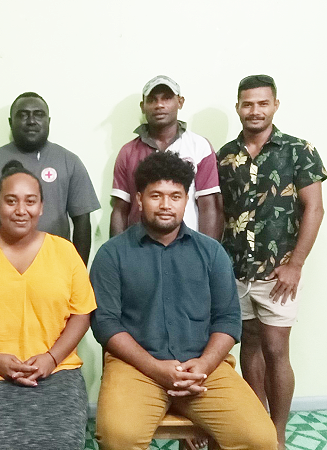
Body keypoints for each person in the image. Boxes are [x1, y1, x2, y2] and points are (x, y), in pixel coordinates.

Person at [91, 151, 277, 450]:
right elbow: (105, 324)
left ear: (186, 199)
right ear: (139, 199)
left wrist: (204, 364)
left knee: (260, 439)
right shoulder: (112, 255)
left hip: (203, 367)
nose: (166, 205)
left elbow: (228, 320)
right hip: (136, 368)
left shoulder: (211, 252)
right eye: (156, 196)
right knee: (118, 439)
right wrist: (156, 369)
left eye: (175, 196)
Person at [0, 161, 96, 449]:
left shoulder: (65, 252)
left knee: (62, 443)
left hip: (56, 373)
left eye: (30, 201)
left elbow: (82, 314)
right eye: (11, 201)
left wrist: (50, 358)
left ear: (42, 206)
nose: (21, 210)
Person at [218, 75, 326, 450]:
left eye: (263, 103)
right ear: (238, 108)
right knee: (248, 346)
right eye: (248, 104)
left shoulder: (299, 150)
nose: (255, 111)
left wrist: (295, 264)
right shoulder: (224, 156)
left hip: (279, 274)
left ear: (275, 105)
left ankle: (276, 434)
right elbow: (220, 213)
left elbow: (315, 208)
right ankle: (257, 427)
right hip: (236, 272)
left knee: (277, 351)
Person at [0, 92, 100, 264]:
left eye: (38, 114)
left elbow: (82, 221)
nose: (31, 121)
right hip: (4, 263)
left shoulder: (69, 161)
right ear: (11, 122)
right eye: (23, 115)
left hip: (56, 263)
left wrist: (78, 269)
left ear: (48, 121)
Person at [109, 75, 222, 239]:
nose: (159, 105)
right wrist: (117, 253)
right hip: (139, 248)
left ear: (180, 102)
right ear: (143, 106)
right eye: (152, 100)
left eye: (167, 98)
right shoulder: (128, 152)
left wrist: (206, 255)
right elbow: (120, 209)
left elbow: (209, 207)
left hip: (186, 247)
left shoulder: (199, 146)